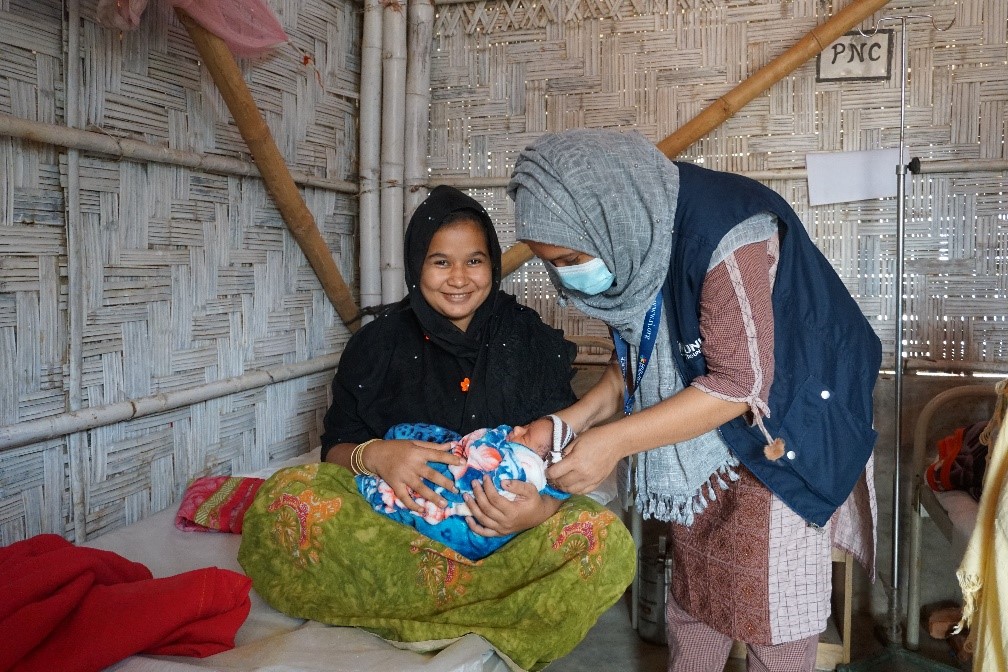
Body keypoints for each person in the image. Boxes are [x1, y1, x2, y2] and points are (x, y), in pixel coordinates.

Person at [507, 129, 882, 672]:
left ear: (610, 215)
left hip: (787, 422)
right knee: (697, 596)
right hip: (711, 433)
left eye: (569, 256)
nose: (567, 275)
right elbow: (639, 359)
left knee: (775, 614)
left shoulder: (728, 232)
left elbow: (739, 384)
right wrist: (565, 423)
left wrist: (609, 443)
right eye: (552, 262)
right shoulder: (642, 233)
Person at [238, 185, 635, 672]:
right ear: (415, 265)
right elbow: (335, 451)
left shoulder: (529, 339)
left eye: (474, 261)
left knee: (606, 543)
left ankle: (412, 609)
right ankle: (487, 611)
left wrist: (537, 514)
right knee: (287, 498)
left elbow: (557, 457)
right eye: (440, 262)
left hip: (504, 538)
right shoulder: (377, 344)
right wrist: (379, 455)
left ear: (492, 263)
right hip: (397, 533)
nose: (459, 280)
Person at [358, 414, 575, 560]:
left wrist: (541, 510)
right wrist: (371, 454)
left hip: (465, 522)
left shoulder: (522, 469)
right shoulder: (503, 439)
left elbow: (480, 466)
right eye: (526, 426)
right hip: (420, 459)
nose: (517, 428)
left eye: (525, 434)